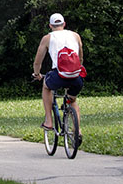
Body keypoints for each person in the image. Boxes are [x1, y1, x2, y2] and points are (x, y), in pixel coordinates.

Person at [32, 13, 85, 142]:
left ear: (50, 25)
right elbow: (81, 57)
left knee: (46, 86)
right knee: (72, 100)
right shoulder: (75, 36)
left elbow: (37, 61)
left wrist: (37, 73)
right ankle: (77, 130)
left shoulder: (47, 38)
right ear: (64, 24)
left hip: (58, 75)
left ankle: (49, 121)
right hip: (76, 77)